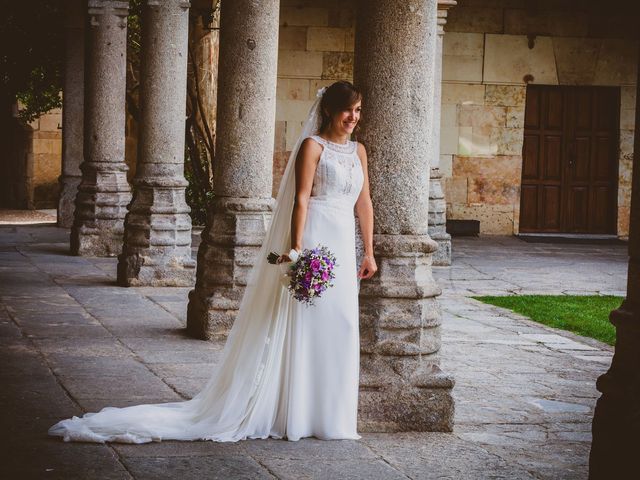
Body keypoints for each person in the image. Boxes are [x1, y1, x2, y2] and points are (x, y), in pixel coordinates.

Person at [48, 80, 376, 443]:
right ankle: (296, 414)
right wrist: (297, 248)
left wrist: (370, 252)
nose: (353, 117)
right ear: (329, 110)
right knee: (306, 321)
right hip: (316, 237)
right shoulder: (313, 147)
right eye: (348, 109)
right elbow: (300, 199)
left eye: (358, 110)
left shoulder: (358, 151)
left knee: (341, 323)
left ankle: (331, 415)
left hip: (344, 244)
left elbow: (364, 203)